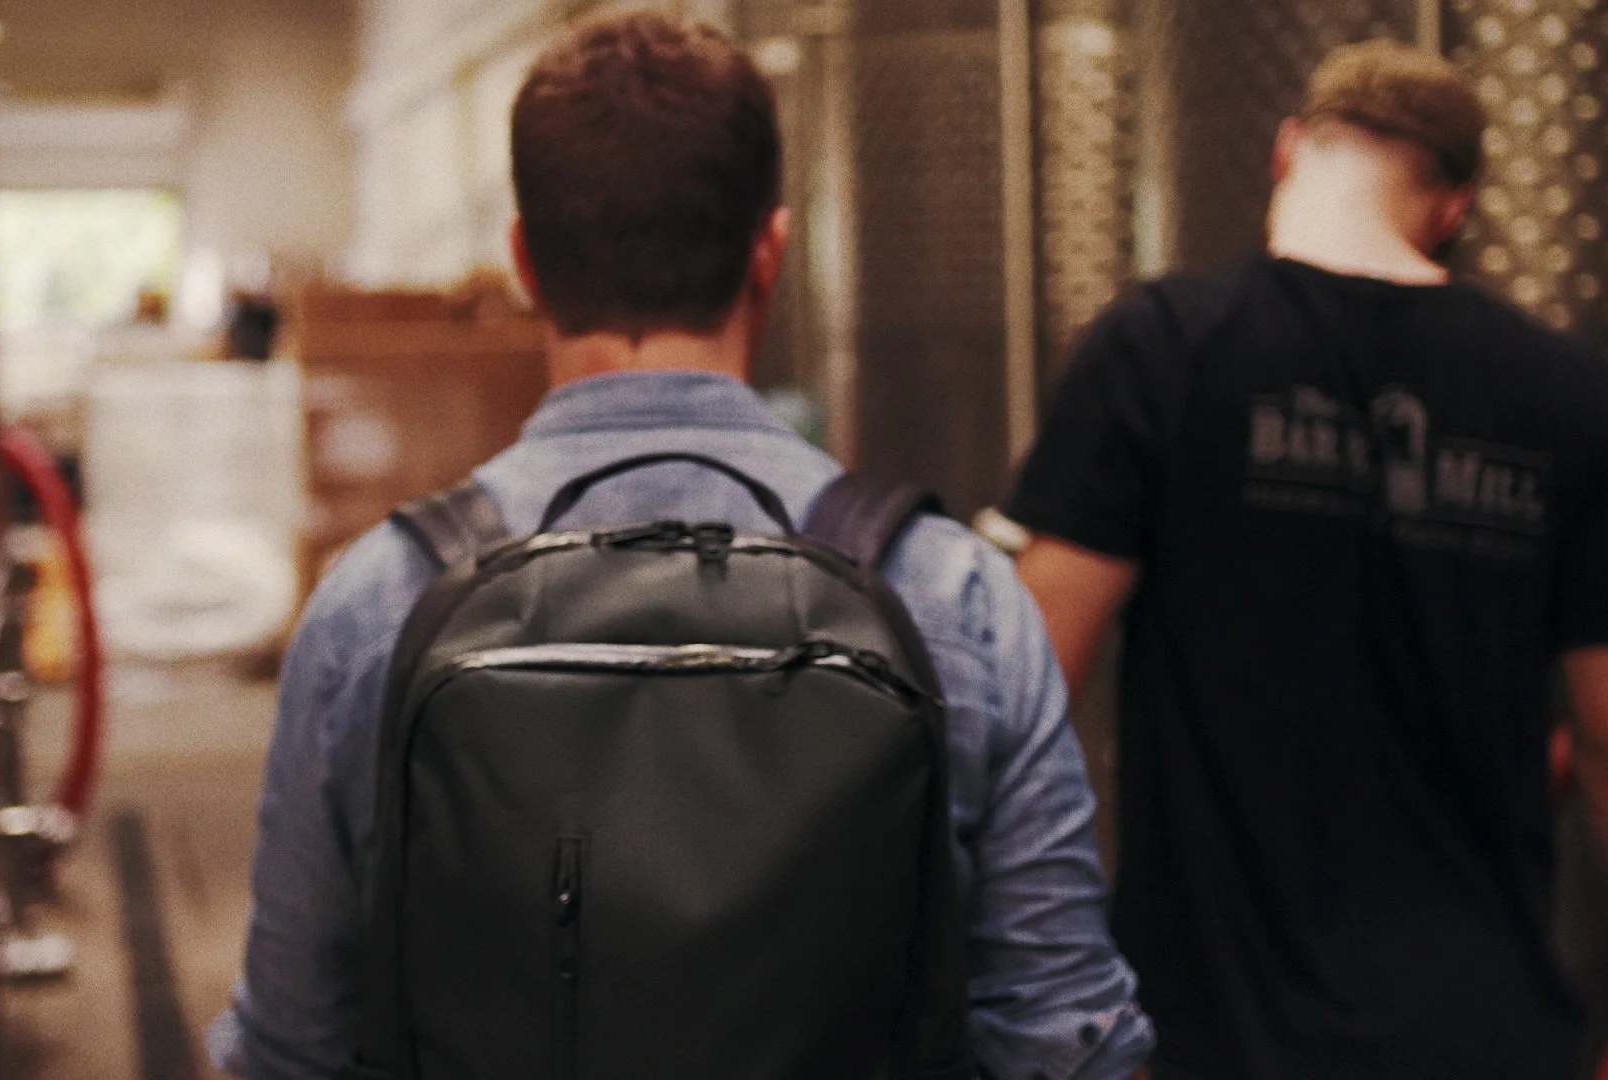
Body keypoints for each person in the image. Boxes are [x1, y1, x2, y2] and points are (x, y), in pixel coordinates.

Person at [209, 13, 1152, 1079]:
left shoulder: (380, 600)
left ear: (523, 259)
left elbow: (290, 1046)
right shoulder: (953, 593)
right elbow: (1064, 1038)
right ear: (772, 250)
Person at [1003, 37, 1608, 1080]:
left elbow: (1030, 680)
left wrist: (1040, 993)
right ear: (1456, 203)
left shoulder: (1160, 348)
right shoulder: (1569, 394)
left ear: (1288, 151)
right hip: (1481, 1032)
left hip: (1211, 1028)